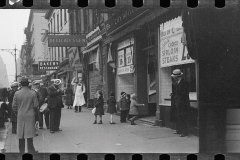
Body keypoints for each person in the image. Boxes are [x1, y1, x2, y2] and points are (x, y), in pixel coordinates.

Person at [12, 77, 39, 153]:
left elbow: (14, 106)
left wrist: (18, 113)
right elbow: (36, 105)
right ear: (28, 84)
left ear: (21, 84)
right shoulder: (33, 93)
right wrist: (34, 112)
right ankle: (31, 151)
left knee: (21, 135)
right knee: (29, 135)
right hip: (30, 115)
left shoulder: (17, 93)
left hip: (20, 115)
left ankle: (21, 152)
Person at [170, 69, 190, 137]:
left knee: (182, 117)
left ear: (177, 76)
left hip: (182, 103)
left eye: (174, 76)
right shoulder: (176, 83)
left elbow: (185, 93)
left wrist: (178, 98)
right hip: (176, 102)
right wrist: (173, 94)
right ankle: (178, 130)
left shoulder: (185, 82)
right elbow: (176, 92)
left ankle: (184, 132)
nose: (173, 78)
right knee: (177, 116)